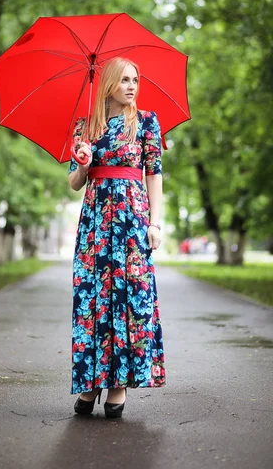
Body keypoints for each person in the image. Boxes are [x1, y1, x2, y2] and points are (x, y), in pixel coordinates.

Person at [68, 56, 165, 419]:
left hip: (132, 220)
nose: (131, 86)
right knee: (93, 299)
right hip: (95, 222)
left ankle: (118, 385)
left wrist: (156, 223)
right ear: (108, 83)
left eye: (135, 79)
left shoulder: (145, 123)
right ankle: (90, 382)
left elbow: (153, 175)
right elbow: (75, 183)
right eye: (124, 79)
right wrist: (82, 162)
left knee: (129, 298)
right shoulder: (85, 127)